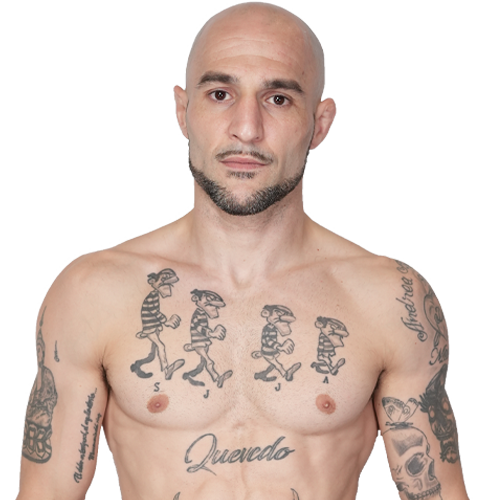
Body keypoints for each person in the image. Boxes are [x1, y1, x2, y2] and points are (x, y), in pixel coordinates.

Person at [18, 3, 469, 500]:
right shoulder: (93, 292)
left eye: (278, 99)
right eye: (220, 94)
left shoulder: (391, 300)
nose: (247, 128)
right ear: (182, 111)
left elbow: (435, 491)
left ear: (319, 123)